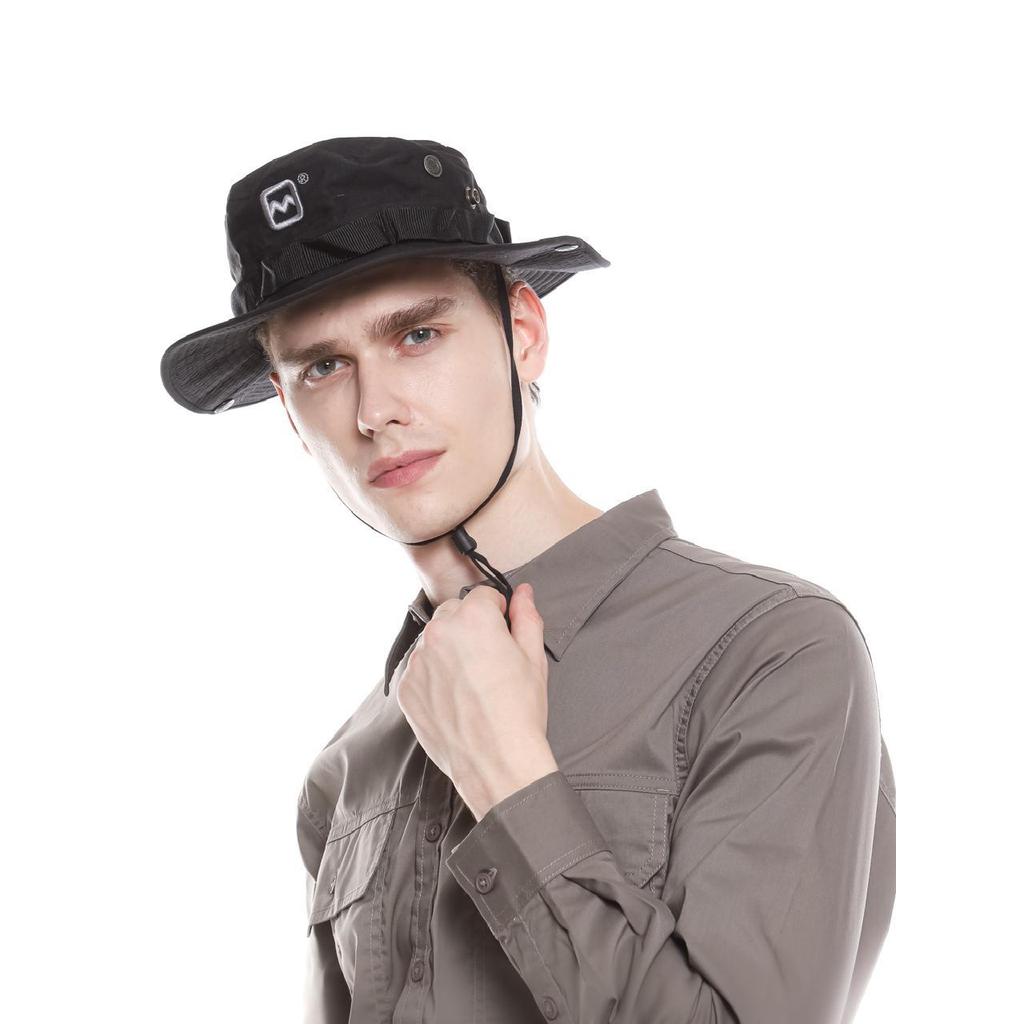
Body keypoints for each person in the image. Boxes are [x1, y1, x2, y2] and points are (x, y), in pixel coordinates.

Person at [160, 136, 896, 1024]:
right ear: (288, 411)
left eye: (417, 335)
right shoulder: (344, 772)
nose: (374, 410)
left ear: (523, 332)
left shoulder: (769, 651)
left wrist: (508, 778)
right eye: (323, 366)